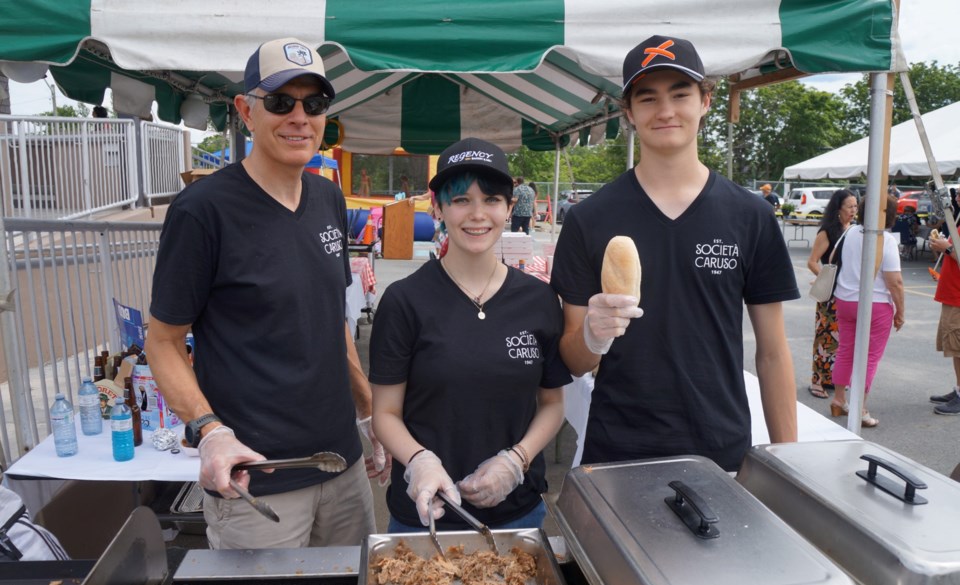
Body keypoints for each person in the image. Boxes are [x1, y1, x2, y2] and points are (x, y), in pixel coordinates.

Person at [145, 37, 387, 550]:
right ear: (245, 111)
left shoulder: (326, 194)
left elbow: (331, 319)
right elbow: (163, 342)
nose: (299, 117)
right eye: (281, 102)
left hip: (341, 466)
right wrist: (209, 432)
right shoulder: (201, 211)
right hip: (258, 481)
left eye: (314, 104)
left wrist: (367, 409)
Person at [550, 35, 799, 472]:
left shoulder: (751, 216)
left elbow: (773, 352)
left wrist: (789, 465)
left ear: (705, 100)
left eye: (680, 94)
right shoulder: (588, 218)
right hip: (617, 449)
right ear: (628, 113)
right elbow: (574, 358)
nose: (665, 111)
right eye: (648, 98)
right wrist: (593, 335)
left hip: (720, 450)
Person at [369, 138, 571, 531]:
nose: (477, 214)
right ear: (438, 208)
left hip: (518, 513)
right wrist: (419, 462)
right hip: (426, 516)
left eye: (492, 199)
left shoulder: (540, 300)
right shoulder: (404, 301)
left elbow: (552, 404)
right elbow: (385, 413)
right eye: (461, 200)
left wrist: (517, 460)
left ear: (510, 208)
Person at [829, 195, 905, 427]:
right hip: (875, 303)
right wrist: (900, 311)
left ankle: (839, 399)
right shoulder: (886, 240)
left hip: (845, 299)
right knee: (870, 356)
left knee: (845, 351)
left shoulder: (850, 232)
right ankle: (860, 407)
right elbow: (894, 282)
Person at [805, 189, 858, 399]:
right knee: (825, 336)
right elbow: (812, 261)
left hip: (847, 292)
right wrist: (826, 277)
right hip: (830, 294)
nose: (854, 210)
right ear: (838, 210)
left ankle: (833, 379)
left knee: (843, 338)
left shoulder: (854, 230)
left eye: (856, 206)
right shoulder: (827, 231)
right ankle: (817, 381)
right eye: (850, 207)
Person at [928, 192, 960, 415]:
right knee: (955, 348)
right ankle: (958, 388)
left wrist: (947, 248)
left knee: (958, 347)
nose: (957, 196)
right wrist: (943, 247)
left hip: (958, 297)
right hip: (952, 294)